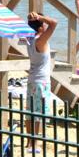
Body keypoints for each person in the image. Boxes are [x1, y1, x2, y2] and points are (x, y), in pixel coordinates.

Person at [25, 12, 58, 148]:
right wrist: (40, 18)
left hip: (32, 79)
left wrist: (33, 19)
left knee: (30, 111)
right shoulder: (40, 41)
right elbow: (54, 23)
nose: (45, 26)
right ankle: (35, 142)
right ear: (39, 28)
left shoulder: (29, 39)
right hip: (41, 81)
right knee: (39, 112)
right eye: (42, 25)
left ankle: (29, 142)